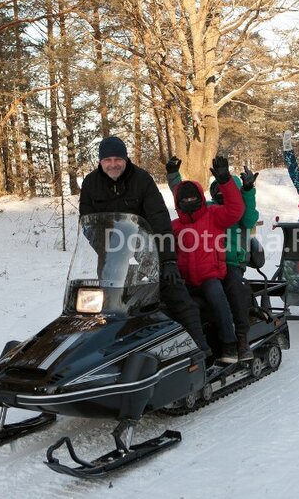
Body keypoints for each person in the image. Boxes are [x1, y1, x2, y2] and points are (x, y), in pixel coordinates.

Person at [78, 136, 211, 355]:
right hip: (113, 256)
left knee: (176, 295)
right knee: (111, 307)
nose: (113, 164)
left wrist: (167, 260)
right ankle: (116, 355)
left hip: (148, 252)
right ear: (100, 162)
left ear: (125, 158)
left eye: (117, 159)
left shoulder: (142, 180)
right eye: (108, 159)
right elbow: (88, 224)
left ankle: (201, 349)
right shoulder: (91, 184)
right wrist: (109, 251)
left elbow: (159, 219)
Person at [166, 158, 259, 361]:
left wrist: (245, 189)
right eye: (215, 188)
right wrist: (174, 175)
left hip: (230, 263)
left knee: (231, 290)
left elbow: (243, 213)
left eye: (223, 188)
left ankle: (238, 340)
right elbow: (184, 193)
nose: (219, 193)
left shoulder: (218, 215)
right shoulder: (204, 210)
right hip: (193, 273)